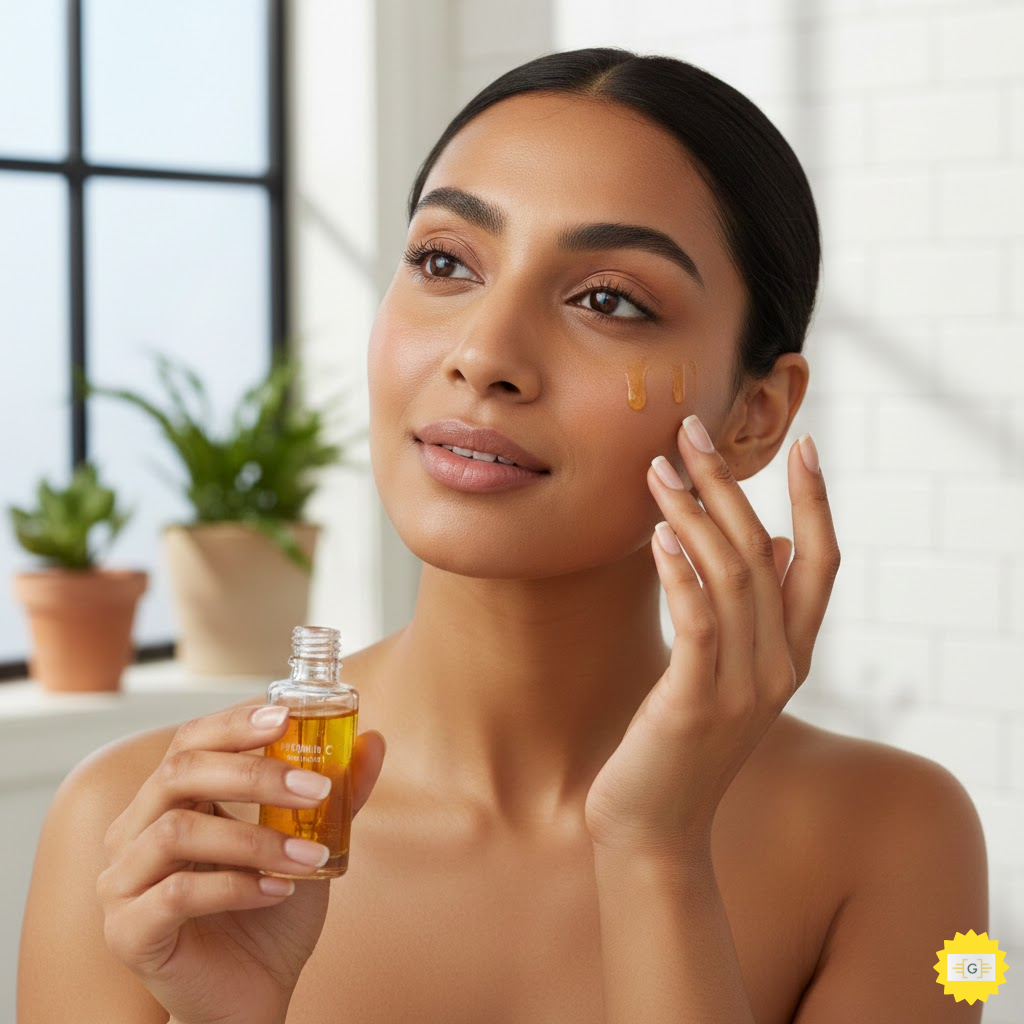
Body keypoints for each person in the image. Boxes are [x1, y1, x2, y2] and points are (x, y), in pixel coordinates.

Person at [18, 48, 987, 1024]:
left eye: (609, 299)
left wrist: (655, 849)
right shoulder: (148, 830)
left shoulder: (901, 839)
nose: (483, 354)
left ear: (756, 413)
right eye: (444, 261)